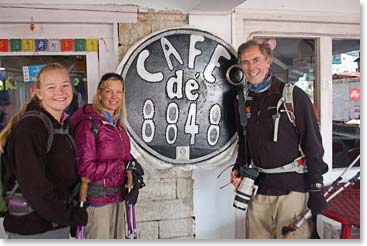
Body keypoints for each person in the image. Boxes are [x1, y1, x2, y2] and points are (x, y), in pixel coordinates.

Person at [230, 40, 329, 239]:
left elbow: (313, 145)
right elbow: (243, 140)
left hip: (291, 192)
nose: (251, 67)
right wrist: (238, 168)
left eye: (256, 60)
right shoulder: (242, 99)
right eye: (245, 62)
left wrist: (316, 187)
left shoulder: (294, 96)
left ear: (268, 62)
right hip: (258, 191)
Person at [0, 63, 88, 239]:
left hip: (53, 224)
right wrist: (72, 216)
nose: (60, 92)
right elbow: (35, 189)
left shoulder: (61, 126)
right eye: (51, 87)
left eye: (65, 85)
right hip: (34, 229)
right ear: (38, 93)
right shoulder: (31, 128)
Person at [70, 72, 136, 239]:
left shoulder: (117, 125)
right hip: (97, 202)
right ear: (99, 94)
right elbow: (86, 170)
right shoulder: (88, 125)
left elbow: (124, 156)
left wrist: (134, 168)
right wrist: (121, 165)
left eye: (119, 91)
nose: (114, 97)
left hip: (118, 198)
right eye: (109, 91)